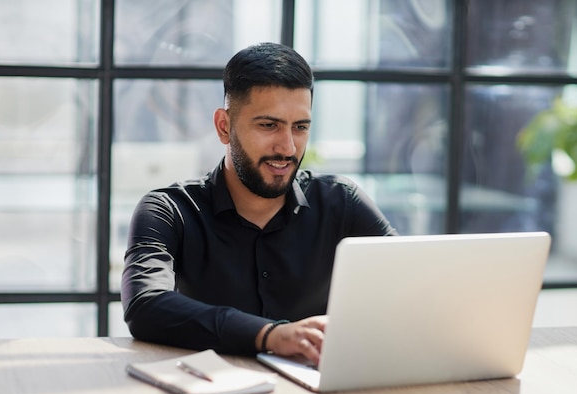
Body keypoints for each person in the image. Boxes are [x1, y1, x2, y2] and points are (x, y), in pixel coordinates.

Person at [121, 42, 397, 365]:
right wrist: (269, 336)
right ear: (224, 127)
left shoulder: (342, 202)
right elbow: (145, 304)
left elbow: (411, 284)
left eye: (300, 127)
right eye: (269, 125)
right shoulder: (168, 211)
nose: (288, 147)